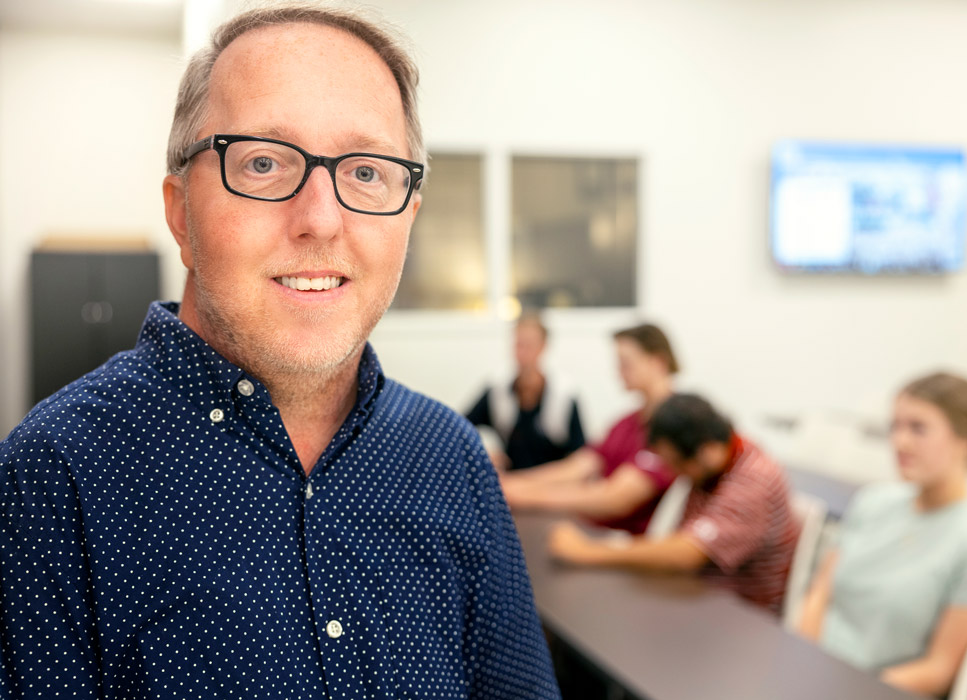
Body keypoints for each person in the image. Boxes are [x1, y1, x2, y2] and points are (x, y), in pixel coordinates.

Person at [0, 5, 559, 698]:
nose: (322, 219)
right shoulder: (53, 477)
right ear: (179, 211)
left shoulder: (450, 460)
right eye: (263, 162)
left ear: (409, 216)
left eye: (366, 172)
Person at [798, 372, 967, 697]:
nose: (900, 441)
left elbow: (940, 669)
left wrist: (847, 689)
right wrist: (802, 659)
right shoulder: (873, 501)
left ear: (965, 442)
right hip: (810, 674)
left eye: (918, 428)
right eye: (895, 426)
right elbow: (820, 592)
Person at [548, 393, 799, 613]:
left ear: (706, 451)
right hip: (693, 593)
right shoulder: (722, 456)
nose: (671, 472)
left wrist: (587, 552)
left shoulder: (755, 482)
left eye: (675, 463)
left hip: (737, 615)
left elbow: (687, 553)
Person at [501, 323, 677, 534]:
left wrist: (522, 494)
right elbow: (579, 466)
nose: (619, 372)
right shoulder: (626, 423)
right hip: (593, 528)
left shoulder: (674, 427)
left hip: (622, 544)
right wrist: (511, 483)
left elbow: (616, 498)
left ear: (657, 362)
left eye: (626, 363)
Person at [466, 312, 585, 471]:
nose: (522, 352)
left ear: (543, 347)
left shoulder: (564, 395)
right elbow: (462, 426)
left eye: (529, 345)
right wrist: (484, 450)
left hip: (552, 485)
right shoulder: (497, 389)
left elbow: (580, 453)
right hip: (509, 482)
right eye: (518, 344)